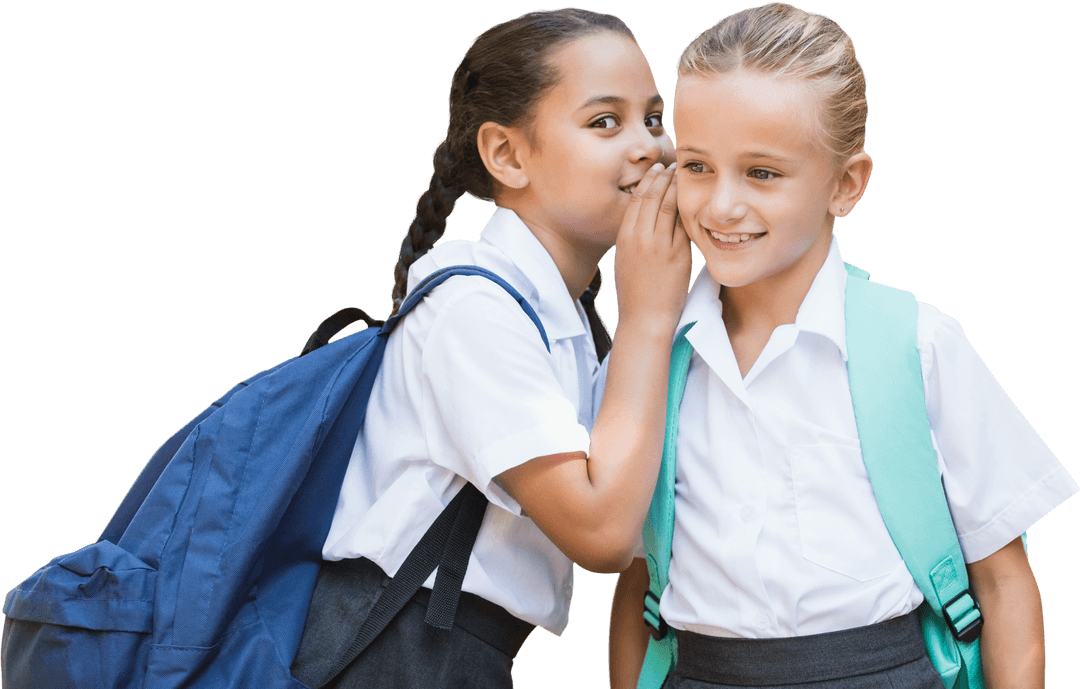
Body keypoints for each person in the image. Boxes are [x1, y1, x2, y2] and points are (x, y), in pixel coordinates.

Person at [608, 4, 1077, 688]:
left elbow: (1004, 586)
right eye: (698, 166)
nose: (720, 206)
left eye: (762, 173)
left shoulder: (917, 345)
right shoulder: (655, 353)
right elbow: (635, 585)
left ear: (846, 184)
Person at [289, 8, 692, 688]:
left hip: (448, 655)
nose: (651, 148)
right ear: (507, 154)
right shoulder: (471, 306)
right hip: (391, 659)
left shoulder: (564, 319)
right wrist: (651, 314)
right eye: (604, 122)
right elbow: (602, 533)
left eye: (654, 119)